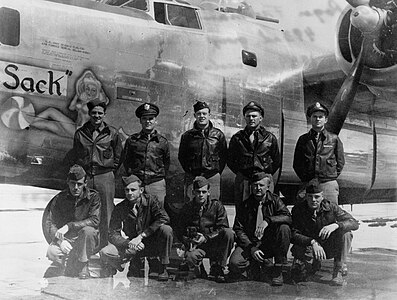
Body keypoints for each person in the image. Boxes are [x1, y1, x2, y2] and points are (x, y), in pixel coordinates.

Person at [99, 174, 173, 281]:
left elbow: (164, 218)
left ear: (141, 190)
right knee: (105, 252)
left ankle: (162, 267)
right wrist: (128, 243)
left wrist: (142, 235)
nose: (129, 193)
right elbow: (113, 233)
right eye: (127, 190)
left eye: (133, 190)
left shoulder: (151, 201)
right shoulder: (120, 207)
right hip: (133, 246)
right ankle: (128, 262)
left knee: (166, 230)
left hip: (152, 243)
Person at [71, 99, 123, 248]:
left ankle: (105, 247)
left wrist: (109, 170)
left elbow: (119, 156)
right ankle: (86, 246)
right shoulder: (80, 134)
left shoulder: (112, 133)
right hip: (87, 176)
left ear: (104, 114)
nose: (97, 116)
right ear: (89, 113)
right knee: (85, 211)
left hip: (104, 176)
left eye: (100, 113)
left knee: (107, 213)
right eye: (94, 113)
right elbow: (76, 155)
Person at [290, 179, 359, 286]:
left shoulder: (331, 207)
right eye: (310, 196)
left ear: (322, 196)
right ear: (306, 196)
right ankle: (307, 264)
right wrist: (312, 242)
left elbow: (354, 223)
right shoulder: (298, 210)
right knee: (298, 277)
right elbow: (293, 234)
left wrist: (336, 225)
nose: (313, 200)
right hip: (308, 247)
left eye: (317, 197)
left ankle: (338, 270)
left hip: (327, 246)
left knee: (346, 234)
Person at [229, 172, 291, 286]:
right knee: (234, 264)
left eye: (261, 185)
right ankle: (254, 265)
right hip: (251, 243)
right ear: (251, 187)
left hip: (269, 243)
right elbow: (238, 229)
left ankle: (278, 269)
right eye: (255, 185)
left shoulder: (275, 201)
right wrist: (251, 248)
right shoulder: (245, 205)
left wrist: (268, 221)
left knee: (284, 228)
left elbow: (287, 217)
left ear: (268, 187)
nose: (258, 188)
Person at [44, 164, 101, 279]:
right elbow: (50, 222)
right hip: (67, 238)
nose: (75, 187)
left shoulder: (94, 197)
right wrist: (60, 241)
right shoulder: (60, 198)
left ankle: (83, 264)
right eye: (72, 183)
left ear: (85, 184)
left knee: (88, 231)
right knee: (52, 252)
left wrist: (70, 226)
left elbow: (95, 220)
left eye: (79, 184)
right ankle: (69, 261)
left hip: (84, 238)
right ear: (67, 182)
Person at [176, 176, 234, 283]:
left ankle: (219, 267)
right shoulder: (187, 208)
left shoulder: (217, 206)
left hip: (214, 244)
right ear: (193, 192)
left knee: (229, 233)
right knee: (190, 258)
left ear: (208, 192)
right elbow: (180, 231)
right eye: (198, 192)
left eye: (203, 192)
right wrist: (188, 242)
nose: (201, 195)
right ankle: (198, 265)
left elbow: (223, 228)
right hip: (197, 245)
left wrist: (206, 237)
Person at [228, 101, 280, 211]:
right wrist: (243, 172)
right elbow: (230, 160)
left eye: (254, 116)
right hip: (244, 180)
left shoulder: (270, 138)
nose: (251, 119)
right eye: (248, 116)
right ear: (244, 118)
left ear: (260, 118)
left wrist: (265, 173)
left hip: (263, 179)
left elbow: (276, 160)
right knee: (243, 212)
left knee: (266, 210)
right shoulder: (237, 138)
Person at [293, 102, 345, 204]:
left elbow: (340, 162)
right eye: (314, 116)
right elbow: (297, 163)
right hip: (308, 184)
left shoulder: (334, 139)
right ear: (310, 119)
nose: (317, 119)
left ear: (325, 120)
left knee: (330, 214)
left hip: (328, 184)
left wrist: (329, 176)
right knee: (306, 215)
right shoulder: (303, 139)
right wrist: (306, 179)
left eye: (321, 117)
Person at [122, 102, 170, 208]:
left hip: (156, 184)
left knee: (157, 213)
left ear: (155, 120)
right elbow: (126, 161)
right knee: (136, 212)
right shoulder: (132, 140)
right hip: (138, 184)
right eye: (144, 118)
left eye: (151, 118)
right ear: (140, 120)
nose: (148, 121)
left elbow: (166, 163)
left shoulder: (162, 142)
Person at [178, 101, 227, 201]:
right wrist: (191, 171)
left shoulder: (218, 135)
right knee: (191, 205)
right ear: (194, 115)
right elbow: (182, 157)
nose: (202, 116)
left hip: (212, 177)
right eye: (199, 114)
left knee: (213, 206)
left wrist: (215, 171)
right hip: (193, 177)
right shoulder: (187, 136)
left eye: (204, 114)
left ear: (209, 115)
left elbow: (224, 156)